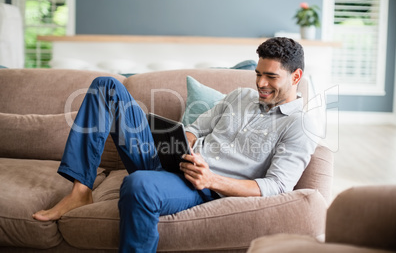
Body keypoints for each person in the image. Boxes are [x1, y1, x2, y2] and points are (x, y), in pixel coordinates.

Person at [32, 37, 318, 252]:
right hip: (174, 159)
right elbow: (195, 128)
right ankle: (80, 191)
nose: (261, 83)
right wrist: (183, 143)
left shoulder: (300, 126)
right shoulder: (239, 96)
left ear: (296, 77)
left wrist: (211, 179)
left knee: (140, 184)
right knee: (106, 86)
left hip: (202, 187)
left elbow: (277, 186)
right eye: (258, 73)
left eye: (271, 77)